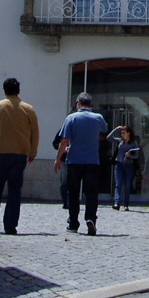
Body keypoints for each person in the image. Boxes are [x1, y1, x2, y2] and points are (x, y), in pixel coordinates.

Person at [0, 77, 40, 235]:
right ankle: (10, 225)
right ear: (19, 91)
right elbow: (35, 133)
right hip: (19, 154)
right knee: (15, 190)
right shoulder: (28, 109)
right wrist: (32, 152)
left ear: (4, 91)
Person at [54, 92, 108, 235]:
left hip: (74, 160)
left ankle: (73, 223)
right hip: (92, 161)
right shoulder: (98, 118)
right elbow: (105, 130)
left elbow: (64, 140)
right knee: (91, 193)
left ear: (78, 103)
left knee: (73, 192)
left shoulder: (71, 118)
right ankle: (91, 218)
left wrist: (58, 159)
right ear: (90, 104)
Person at [107, 125, 140, 211]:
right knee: (118, 184)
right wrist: (116, 129)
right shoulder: (120, 141)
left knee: (127, 185)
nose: (122, 135)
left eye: (124, 133)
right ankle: (117, 203)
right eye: (121, 133)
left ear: (128, 133)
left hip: (129, 165)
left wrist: (130, 155)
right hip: (119, 165)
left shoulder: (133, 143)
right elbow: (109, 137)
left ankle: (126, 204)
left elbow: (136, 155)